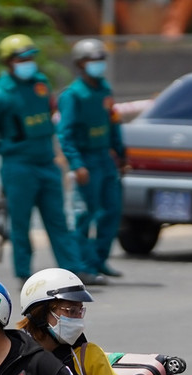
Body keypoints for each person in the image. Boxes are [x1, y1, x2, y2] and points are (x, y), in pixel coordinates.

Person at [0, 34, 90, 289]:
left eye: (31, 57)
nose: (28, 62)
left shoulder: (40, 84)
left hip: (47, 163)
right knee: (21, 223)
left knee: (58, 220)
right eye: (21, 58)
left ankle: (73, 271)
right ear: (9, 62)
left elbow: (49, 112)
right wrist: (9, 148)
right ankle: (23, 273)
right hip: (19, 166)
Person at [58, 39, 127, 280]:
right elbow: (65, 134)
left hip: (105, 158)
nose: (98, 65)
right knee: (84, 215)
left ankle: (100, 260)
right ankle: (84, 266)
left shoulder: (104, 90)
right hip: (86, 160)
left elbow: (113, 123)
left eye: (101, 59)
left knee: (111, 211)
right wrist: (76, 164)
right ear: (80, 64)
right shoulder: (73, 95)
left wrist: (121, 152)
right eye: (92, 60)